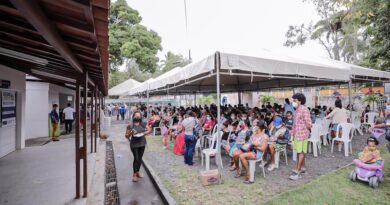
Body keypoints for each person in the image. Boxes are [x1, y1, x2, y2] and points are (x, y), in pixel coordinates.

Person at [290, 93, 312, 180]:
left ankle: (297, 171)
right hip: (297, 134)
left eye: (294, 100)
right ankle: (303, 168)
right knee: (300, 152)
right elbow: (295, 124)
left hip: (302, 134)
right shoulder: (297, 109)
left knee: (301, 152)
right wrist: (292, 133)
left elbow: (308, 123)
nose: (293, 102)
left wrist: (306, 129)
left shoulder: (304, 109)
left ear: (300, 101)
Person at [125, 111, 152, 182]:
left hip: (142, 143)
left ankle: (137, 172)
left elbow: (150, 130)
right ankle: (134, 175)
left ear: (140, 117)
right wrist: (131, 133)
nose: (137, 117)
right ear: (133, 116)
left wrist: (143, 133)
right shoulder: (130, 125)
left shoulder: (143, 123)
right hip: (134, 144)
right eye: (136, 116)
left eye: (138, 116)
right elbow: (126, 136)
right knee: (136, 158)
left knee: (140, 158)